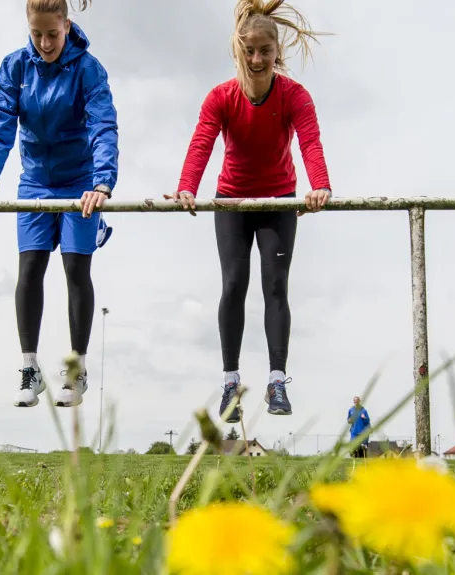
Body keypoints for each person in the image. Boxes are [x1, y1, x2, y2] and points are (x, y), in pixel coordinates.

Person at [169, 0, 332, 422]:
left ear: (277, 52)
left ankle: (277, 381)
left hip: (279, 200)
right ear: (238, 51)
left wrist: (321, 186)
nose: (257, 59)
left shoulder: (294, 95)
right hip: (233, 201)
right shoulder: (221, 97)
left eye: (265, 51)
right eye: (249, 51)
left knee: (275, 284)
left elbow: (310, 143)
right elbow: (202, 143)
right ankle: (230, 386)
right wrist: (187, 187)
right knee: (233, 284)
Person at [0, 0, 119, 409]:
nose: (45, 42)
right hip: (36, 182)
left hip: (81, 183)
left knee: (75, 267)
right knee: (30, 267)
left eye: (52, 34)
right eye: (36, 34)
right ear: (28, 27)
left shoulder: (88, 70)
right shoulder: (15, 68)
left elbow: (102, 124)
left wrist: (103, 182)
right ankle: (29, 369)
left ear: (67, 26)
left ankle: (76, 370)